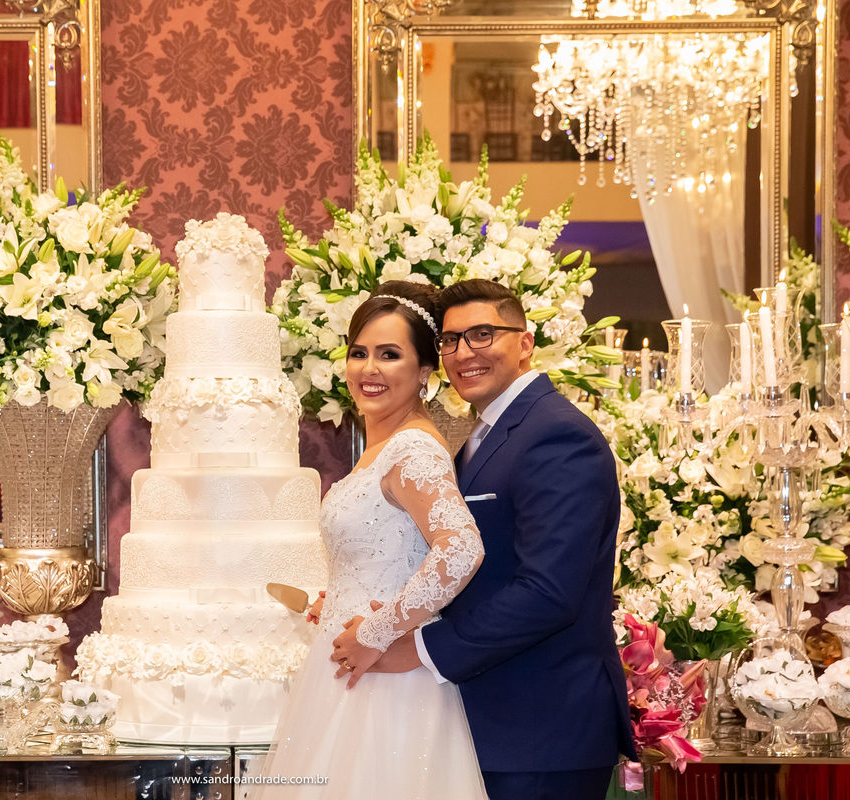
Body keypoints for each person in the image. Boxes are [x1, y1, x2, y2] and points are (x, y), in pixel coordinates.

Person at [338, 279, 637, 800]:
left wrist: (421, 647)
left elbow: (549, 592)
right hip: (489, 723)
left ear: (525, 342)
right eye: (451, 341)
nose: (464, 353)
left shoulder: (556, 434)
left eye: (482, 334)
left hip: (540, 726)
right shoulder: (485, 435)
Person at [252, 281, 488, 800]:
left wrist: (377, 629)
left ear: (424, 373)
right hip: (347, 661)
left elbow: (462, 548)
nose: (369, 369)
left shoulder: (412, 450)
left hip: (386, 676)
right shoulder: (381, 447)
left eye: (389, 355)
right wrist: (334, 604)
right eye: (359, 353)